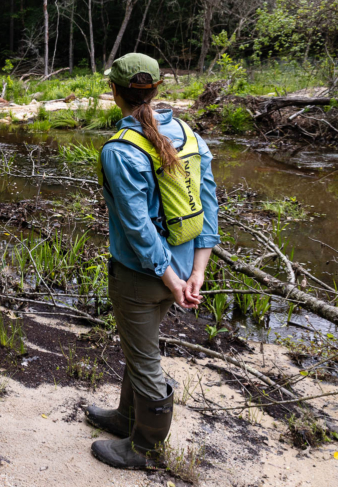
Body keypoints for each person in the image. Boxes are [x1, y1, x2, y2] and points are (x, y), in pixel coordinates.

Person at [88, 53, 220, 469]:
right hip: (181, 271)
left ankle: (145, 449)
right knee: (138, 346)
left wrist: (168, 279)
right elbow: (209, 208)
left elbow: (138, 229)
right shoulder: (190, 136)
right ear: (157, 89)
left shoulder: (121, 149)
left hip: (142, 278)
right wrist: (194, 273)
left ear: (114, 92)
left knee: (145, 361)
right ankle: (126, 417)